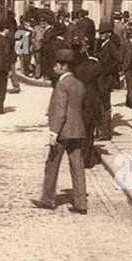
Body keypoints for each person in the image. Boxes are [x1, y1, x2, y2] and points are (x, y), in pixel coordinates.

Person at [32, 49, 87, 214]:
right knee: (77, 166)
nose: (54, 67)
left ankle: (47, 199)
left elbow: (59, 111)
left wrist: (53, 132)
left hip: (63, 131)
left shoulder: (62, 85)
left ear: (64, 66)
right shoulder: (79, 84)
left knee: (52, 163)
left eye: (57, 64)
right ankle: (81, 203)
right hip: (77, 130)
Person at [71, 42, 107, 167]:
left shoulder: (76, 68)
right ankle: (86, 160)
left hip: (79, 102)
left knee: (80, 130)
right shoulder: (97, 67)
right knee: (90, 130)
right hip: (92, 102)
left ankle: (78, 157)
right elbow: (102, 88)